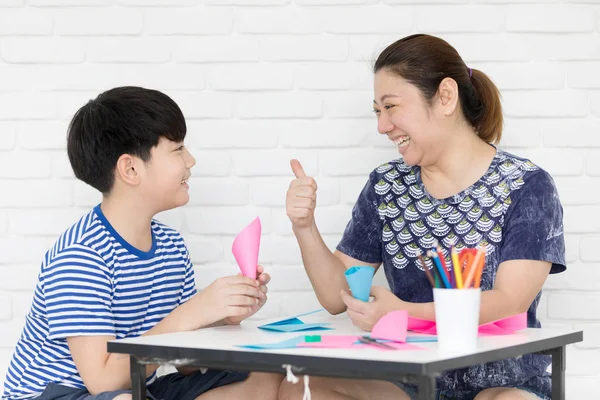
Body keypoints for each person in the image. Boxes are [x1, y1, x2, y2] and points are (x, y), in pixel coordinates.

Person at [281, 34, 565, 400]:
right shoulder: (387, 186)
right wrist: (304, 227)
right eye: (377, 111)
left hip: (503, 383)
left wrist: (406, 313)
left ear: (446, 97)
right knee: (300, 388)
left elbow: (511, 300)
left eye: (391, 106)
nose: (382, 126)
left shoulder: (527, 185)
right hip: (411, 383)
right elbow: (340, 296)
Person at [2, 87, 282, 400]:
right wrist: (194, 311)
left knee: (265, 380)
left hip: (135, 387)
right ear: (131, 169)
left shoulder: (172, 246)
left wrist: (221, 315)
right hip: (61, 394)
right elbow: (104, 382)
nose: (191, 160)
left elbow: (186, 363)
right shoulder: (80, 257)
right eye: (177, 149)